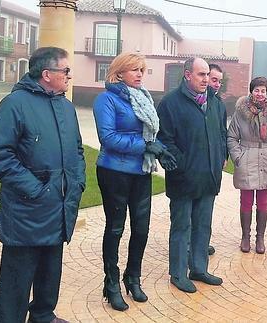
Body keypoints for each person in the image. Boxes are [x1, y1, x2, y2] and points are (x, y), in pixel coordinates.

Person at [0, 47, 85, 323]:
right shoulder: (15, 104)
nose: (69, 76)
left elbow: (77, 149)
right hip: (28, 210)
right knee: (18, 275)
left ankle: (42, 315)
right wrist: (35, 189)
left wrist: (78, 182)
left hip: (59, 206)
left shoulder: (65, 106)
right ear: (47, 74)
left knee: (50, 269)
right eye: (65, 71)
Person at [92, 53, 177, 311]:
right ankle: (111, 283)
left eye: (142, 69)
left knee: (141, 228)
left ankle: (133, 277)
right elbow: (108, 138)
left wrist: (159, 149)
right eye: (134, 70)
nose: (140, 74)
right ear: (118, 73)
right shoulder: (106, 99)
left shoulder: (143, 98)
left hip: (141, 170)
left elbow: (150, 133)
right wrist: (148, 145)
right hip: (114, 171)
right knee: (116, 228)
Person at [157, 57, 227, 293]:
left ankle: (199, 268)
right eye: (201, 75)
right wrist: (183, 165)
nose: (206, 80)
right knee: (182, 228)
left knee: (202, 226)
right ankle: (178, 274)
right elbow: (164, 140)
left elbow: (221, 136)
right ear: (187, 75)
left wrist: (219, 161)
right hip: (184, 179)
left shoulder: (216, 103)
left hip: (208, 177)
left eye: (208, 75)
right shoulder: (170, 103)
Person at [227, 77, 267, 254]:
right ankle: (245, 236)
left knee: (263, 200)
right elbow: (231, 137)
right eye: (256, 90)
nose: (259, 94)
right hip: (247, 157)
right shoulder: (240, 113)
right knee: (246, 200)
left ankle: (260, 238)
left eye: (263, 91)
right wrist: (238, 157)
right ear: (251, 91)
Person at [206, 63, 227, 256]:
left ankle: (202, 242)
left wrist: (224, 155)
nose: (217, 84)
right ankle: (188, 244)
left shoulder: (219, 104)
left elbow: (222, 132)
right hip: (196, 164)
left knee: (207, 207)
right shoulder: (199, 101)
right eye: (214, 80)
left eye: (219, 81)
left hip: (214, 163)